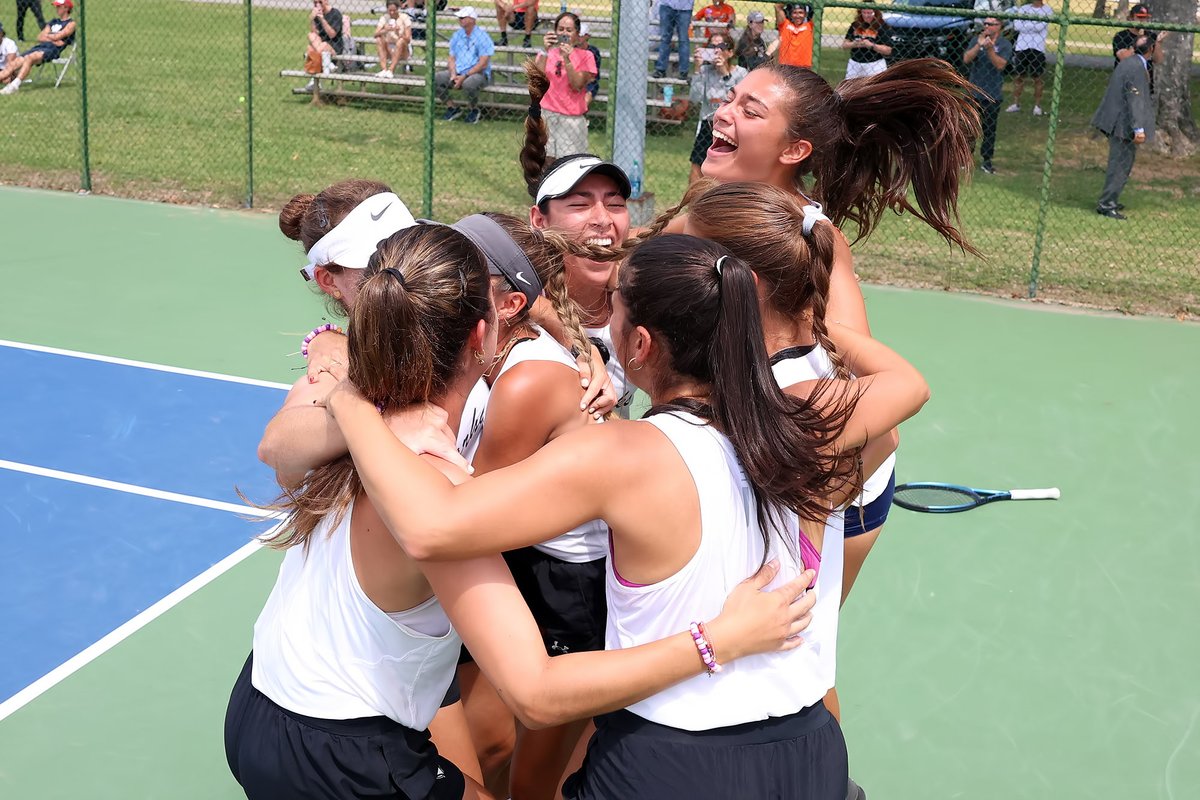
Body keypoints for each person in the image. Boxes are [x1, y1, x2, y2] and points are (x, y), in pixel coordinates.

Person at [231, 221, 823, 800]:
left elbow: (275, 444)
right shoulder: (431, 487)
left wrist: (347, 395)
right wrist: (718, 639)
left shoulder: (354, 405)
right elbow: (536, 692)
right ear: (483, 335)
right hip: (339, 748)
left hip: (261, 700)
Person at [325, 232, 930, 799]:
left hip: (677, 763)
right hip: (808, 755)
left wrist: (351, 403)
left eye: (613, 308)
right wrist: (808, 324)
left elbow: (433, 527)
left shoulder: (624, 453)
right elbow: (906, 383)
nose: (603, 322)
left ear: (639, 345)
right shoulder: (813, 417)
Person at [1093, 34, 1155, 220]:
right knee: (1120, 165)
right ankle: (1107, 204)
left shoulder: (1130, 62)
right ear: (1151, 49)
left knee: (1122, 163)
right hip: (1121, 123)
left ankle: (1111, 198)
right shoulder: (1136, 67)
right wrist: (1139, 129)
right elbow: (1134, 99)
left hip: (1116, 120)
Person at [535, 13, 597, 159]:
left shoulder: (586, 56)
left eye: (569, 30)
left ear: (577, 34)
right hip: (547, 114)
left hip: (570, 119)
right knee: (545, 161)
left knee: (569, 163)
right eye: (561, 29)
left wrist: (567, 60)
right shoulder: (546, 53)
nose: (564, 33)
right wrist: (545, 51)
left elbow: (577, 85)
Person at [688, 33, 747, 184]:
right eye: (711, 47)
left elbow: (739, 100)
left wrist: (725, 75)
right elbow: (695, 98)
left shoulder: (740, 73)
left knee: (729, 171)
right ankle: (693, 203)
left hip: (733, 127)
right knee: (696, 167)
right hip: (709, 123)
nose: (716, 50)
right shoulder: (705, 71)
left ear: (730, 52)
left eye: (720, 47)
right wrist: (697, 69)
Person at [963, 17, 1011, 175]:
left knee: (989, 129)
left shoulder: (1004, 44)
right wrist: (979, 45)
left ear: (1000, 27)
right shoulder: (976, 41)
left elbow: (1000, 65)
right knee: (968, 128)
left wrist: (990, 49)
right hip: (973, 93)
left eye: (991, 24)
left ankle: (987, 161)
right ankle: (965, 158)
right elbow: (966, 59)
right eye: (985, 23)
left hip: (992, 95)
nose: (987, 26)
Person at [436, 7, 495, 125]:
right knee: (435, 78)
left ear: (472, 19)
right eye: (459, 18)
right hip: (457, 72)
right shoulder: (457, 35)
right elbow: (451, 58)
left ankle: (474, 109)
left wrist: (464, 76)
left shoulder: (483, 37)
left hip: (479, 73)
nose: (460, 20)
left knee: (469, 84)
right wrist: (453, 75)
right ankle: (452, 107)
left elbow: (483, 63)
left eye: (463, 17)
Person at [0, 0, 71, 95]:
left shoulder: (71, 23)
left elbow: (60, 35)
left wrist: (49, 36)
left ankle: (14, 86)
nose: (56, 9)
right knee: (14, 63)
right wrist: (54, 38)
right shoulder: (53, 21)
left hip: (52, 50)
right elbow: (40, 37)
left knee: (30, 58)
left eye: (59, 7)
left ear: (66, 8)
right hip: (39, 47)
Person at [1005, 0, 1053, 116]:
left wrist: (1026, 25)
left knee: (1037, 78)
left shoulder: (1047, 10)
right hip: (1022, 46)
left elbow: (1040, 27)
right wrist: (1032, 24)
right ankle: (1016, 104)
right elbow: (1017, 26)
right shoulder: (1023, 9)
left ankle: (1037, 106)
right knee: (1019, 76)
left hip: (1037, 48)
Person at [1113, 4, 1165, 94]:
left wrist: (1158, 43)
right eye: (1139, 17)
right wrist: (1138, 42)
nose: (1142, 20)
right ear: (1131, 18)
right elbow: (1123, 57)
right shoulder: (1121, 36)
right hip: (1125, 82)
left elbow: (1158, 59)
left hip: (1145, 84)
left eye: (1145, 18)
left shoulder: (1151, 36)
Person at [842, 7, 892, 80]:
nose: (866, 16)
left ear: (876, 13)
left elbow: (888, 50)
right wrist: (855, 44)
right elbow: (844, 45)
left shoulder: (882, 26)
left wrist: (872, 45)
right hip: (855, 63)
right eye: (864, 13)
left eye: (869, 13)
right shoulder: (855, 25)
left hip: (875, 64)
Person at [654, 0, 695, 80]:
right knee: (665, 38)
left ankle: (684, 71)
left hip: (685, 7)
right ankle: (660, 69)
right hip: (667, 5)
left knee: (683, 39)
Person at [306, 0, 344, 77]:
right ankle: (329, 65)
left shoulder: (335, 13)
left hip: (334, 46)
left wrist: (322, 19)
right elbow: (315, 33)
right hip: (321, 45)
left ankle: (314, 81)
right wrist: (312, 19)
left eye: (320, 2)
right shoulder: (316, 13)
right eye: (315, 3)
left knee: (313, 50)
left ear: (326, 1)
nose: (317, 5)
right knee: (311, 36)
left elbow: (332, 35)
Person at [375, 0, 412, 78]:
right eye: (390, 10)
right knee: (379, 39)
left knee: (400, 41)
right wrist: (386, 29)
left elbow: (408, 39)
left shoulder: (404, 17)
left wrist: (400, 34)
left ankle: (391, 70)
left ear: (398, 9)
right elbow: (375, 34)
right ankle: (384, 70)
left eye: (394, 10)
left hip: (402, 48)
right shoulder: (384, 17)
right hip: (389, 47)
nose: (392, 13)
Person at [775, 2, 814, 69]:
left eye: (800, 12)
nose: (798, 16)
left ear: (805, 14)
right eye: (794, 13)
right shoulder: (785, 24)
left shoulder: (809, 26)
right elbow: (777, 7)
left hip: (804, 67)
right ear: (790, 14)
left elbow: (817, 7)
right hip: (786, 65)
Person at [579, 22, 601, 104]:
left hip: (589, 82)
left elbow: (593, 76)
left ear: (587, 36)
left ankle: (580, 112)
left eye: (581, 36)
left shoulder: (593, 51)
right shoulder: (571, 50)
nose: (578, 38)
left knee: (588, 93)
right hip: (574, 78)